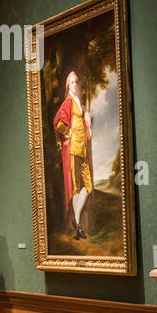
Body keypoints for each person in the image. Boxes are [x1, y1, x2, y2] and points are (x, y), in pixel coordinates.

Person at [52, 70, 93, 239]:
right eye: (72, 81)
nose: (75, 84)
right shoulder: (68, 101)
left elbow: (82, 125)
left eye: (77, 81)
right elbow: (58, 121)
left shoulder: (78, 102)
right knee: (76, 188)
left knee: (88, 186)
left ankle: (76, 221)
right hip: (74, 150)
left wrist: (87, 122)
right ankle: (78, 225)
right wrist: (68, 134)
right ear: (68, 85)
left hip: (82, 149)